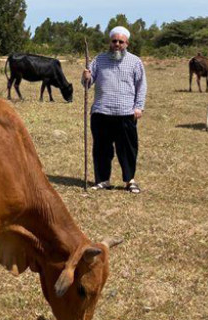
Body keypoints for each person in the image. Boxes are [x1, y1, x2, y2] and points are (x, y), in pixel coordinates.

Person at [82, 26, 147, 194]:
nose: (117, 44)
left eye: (121, 42)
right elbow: (87, 85)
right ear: (110, 42)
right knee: (101, 149)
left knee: (127, 149)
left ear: (127, 43)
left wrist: (138, 107)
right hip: (101, 112)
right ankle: (103, 180)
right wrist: (86, 77)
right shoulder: (98, 60)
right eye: (114, 41)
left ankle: (129, 180)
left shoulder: (135, 62)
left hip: (126, 113)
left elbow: (141, 86)